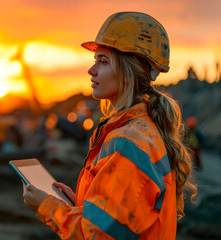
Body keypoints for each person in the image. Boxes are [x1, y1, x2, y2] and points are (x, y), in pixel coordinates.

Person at [22, 12, 197, 239]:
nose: (91, 70)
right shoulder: (137, 130)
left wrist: (47, 206)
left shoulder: (129, 143)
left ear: (129, 71)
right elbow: (123, 219)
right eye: (95, 60)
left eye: (103, 62)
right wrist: (78, 204)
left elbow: (96, 235)